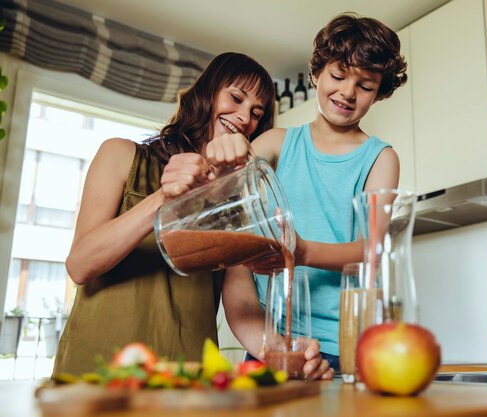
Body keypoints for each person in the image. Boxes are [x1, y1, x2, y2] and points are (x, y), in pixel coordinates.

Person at [52, 52, 332, 380]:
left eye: (256, 113)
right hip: (97, 374)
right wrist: (165, 198)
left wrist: (283, 353)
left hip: (184, 383)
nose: (245, 117)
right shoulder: (121, 155)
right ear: (207, 92)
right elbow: (80, 265)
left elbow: (241, 307)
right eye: (236, 98)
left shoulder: (236, 203)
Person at [205, 13, 408, 371]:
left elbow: (371, 248)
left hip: (347, 345)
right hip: (275, 342)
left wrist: (301, 251)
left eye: (365, 85)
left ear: (378, 95)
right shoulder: (276, 143)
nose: (347, 92)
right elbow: (225, 185)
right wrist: (223, 156)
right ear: (316, 73)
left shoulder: (380, 158)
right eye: (338, 75)